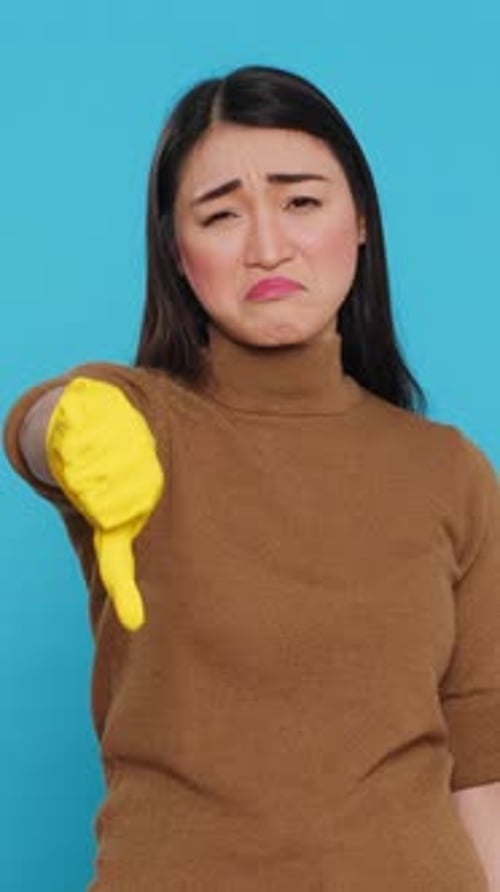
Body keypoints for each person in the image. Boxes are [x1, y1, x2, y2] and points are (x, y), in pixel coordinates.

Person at [3, 64, 500, 891]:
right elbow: (41, 423)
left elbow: (482, 763)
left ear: (362, 218)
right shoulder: (140, 422)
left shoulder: (449, 470)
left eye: (301, 201)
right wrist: (59, 429)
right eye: (221, 213)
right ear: (176, 247)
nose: (268, 245)